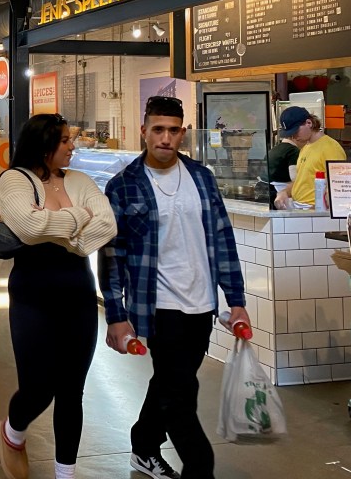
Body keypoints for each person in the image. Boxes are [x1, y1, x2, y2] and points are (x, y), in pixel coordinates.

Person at [100, 95, 249, 479]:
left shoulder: (201, 177)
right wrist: (116, 317)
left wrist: (236, 301)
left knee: (172, 384)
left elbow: (222, 239)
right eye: (158, 129)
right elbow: (112, 256)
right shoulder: (124, 186)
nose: (166, 138)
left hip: (201, 304)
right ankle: (200, 469)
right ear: (143, 131)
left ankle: (143, 446)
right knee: (181, 396)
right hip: (159, 306)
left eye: (173, 130)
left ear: (183, 133)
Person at [0, 114, 118, 479]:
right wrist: (79, 218)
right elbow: (30, 229)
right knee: (38, 387)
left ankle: (66, 474)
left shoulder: (80, 180)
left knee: (71, 391)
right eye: (65, 140)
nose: (72, 146)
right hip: (32, 295)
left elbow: (107, 223)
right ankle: (12, 431)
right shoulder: (15, 180)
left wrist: (68, 237)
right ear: (44, 143)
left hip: (78, 293)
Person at [273, 108, 346, 209]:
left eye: (295, 131)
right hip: (299, 206)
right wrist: (284, 192)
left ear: (309, 123)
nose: (293, 137)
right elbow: (300, 180)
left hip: (315, 209)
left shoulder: (331, 148)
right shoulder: (305, 147)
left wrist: (318, 208)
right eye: (290, 134)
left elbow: (339, 187)